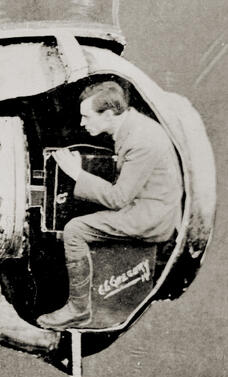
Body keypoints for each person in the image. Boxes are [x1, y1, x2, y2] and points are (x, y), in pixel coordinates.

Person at [36, 80, 183, 330]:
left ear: (108, 114)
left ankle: (78, 310)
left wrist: (76, 173)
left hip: (150, 217)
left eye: (86, 116)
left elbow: (118, 198)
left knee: (75, 229)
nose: (82, 123)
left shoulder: (142, 140)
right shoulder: (133, 127)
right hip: (147, 205)